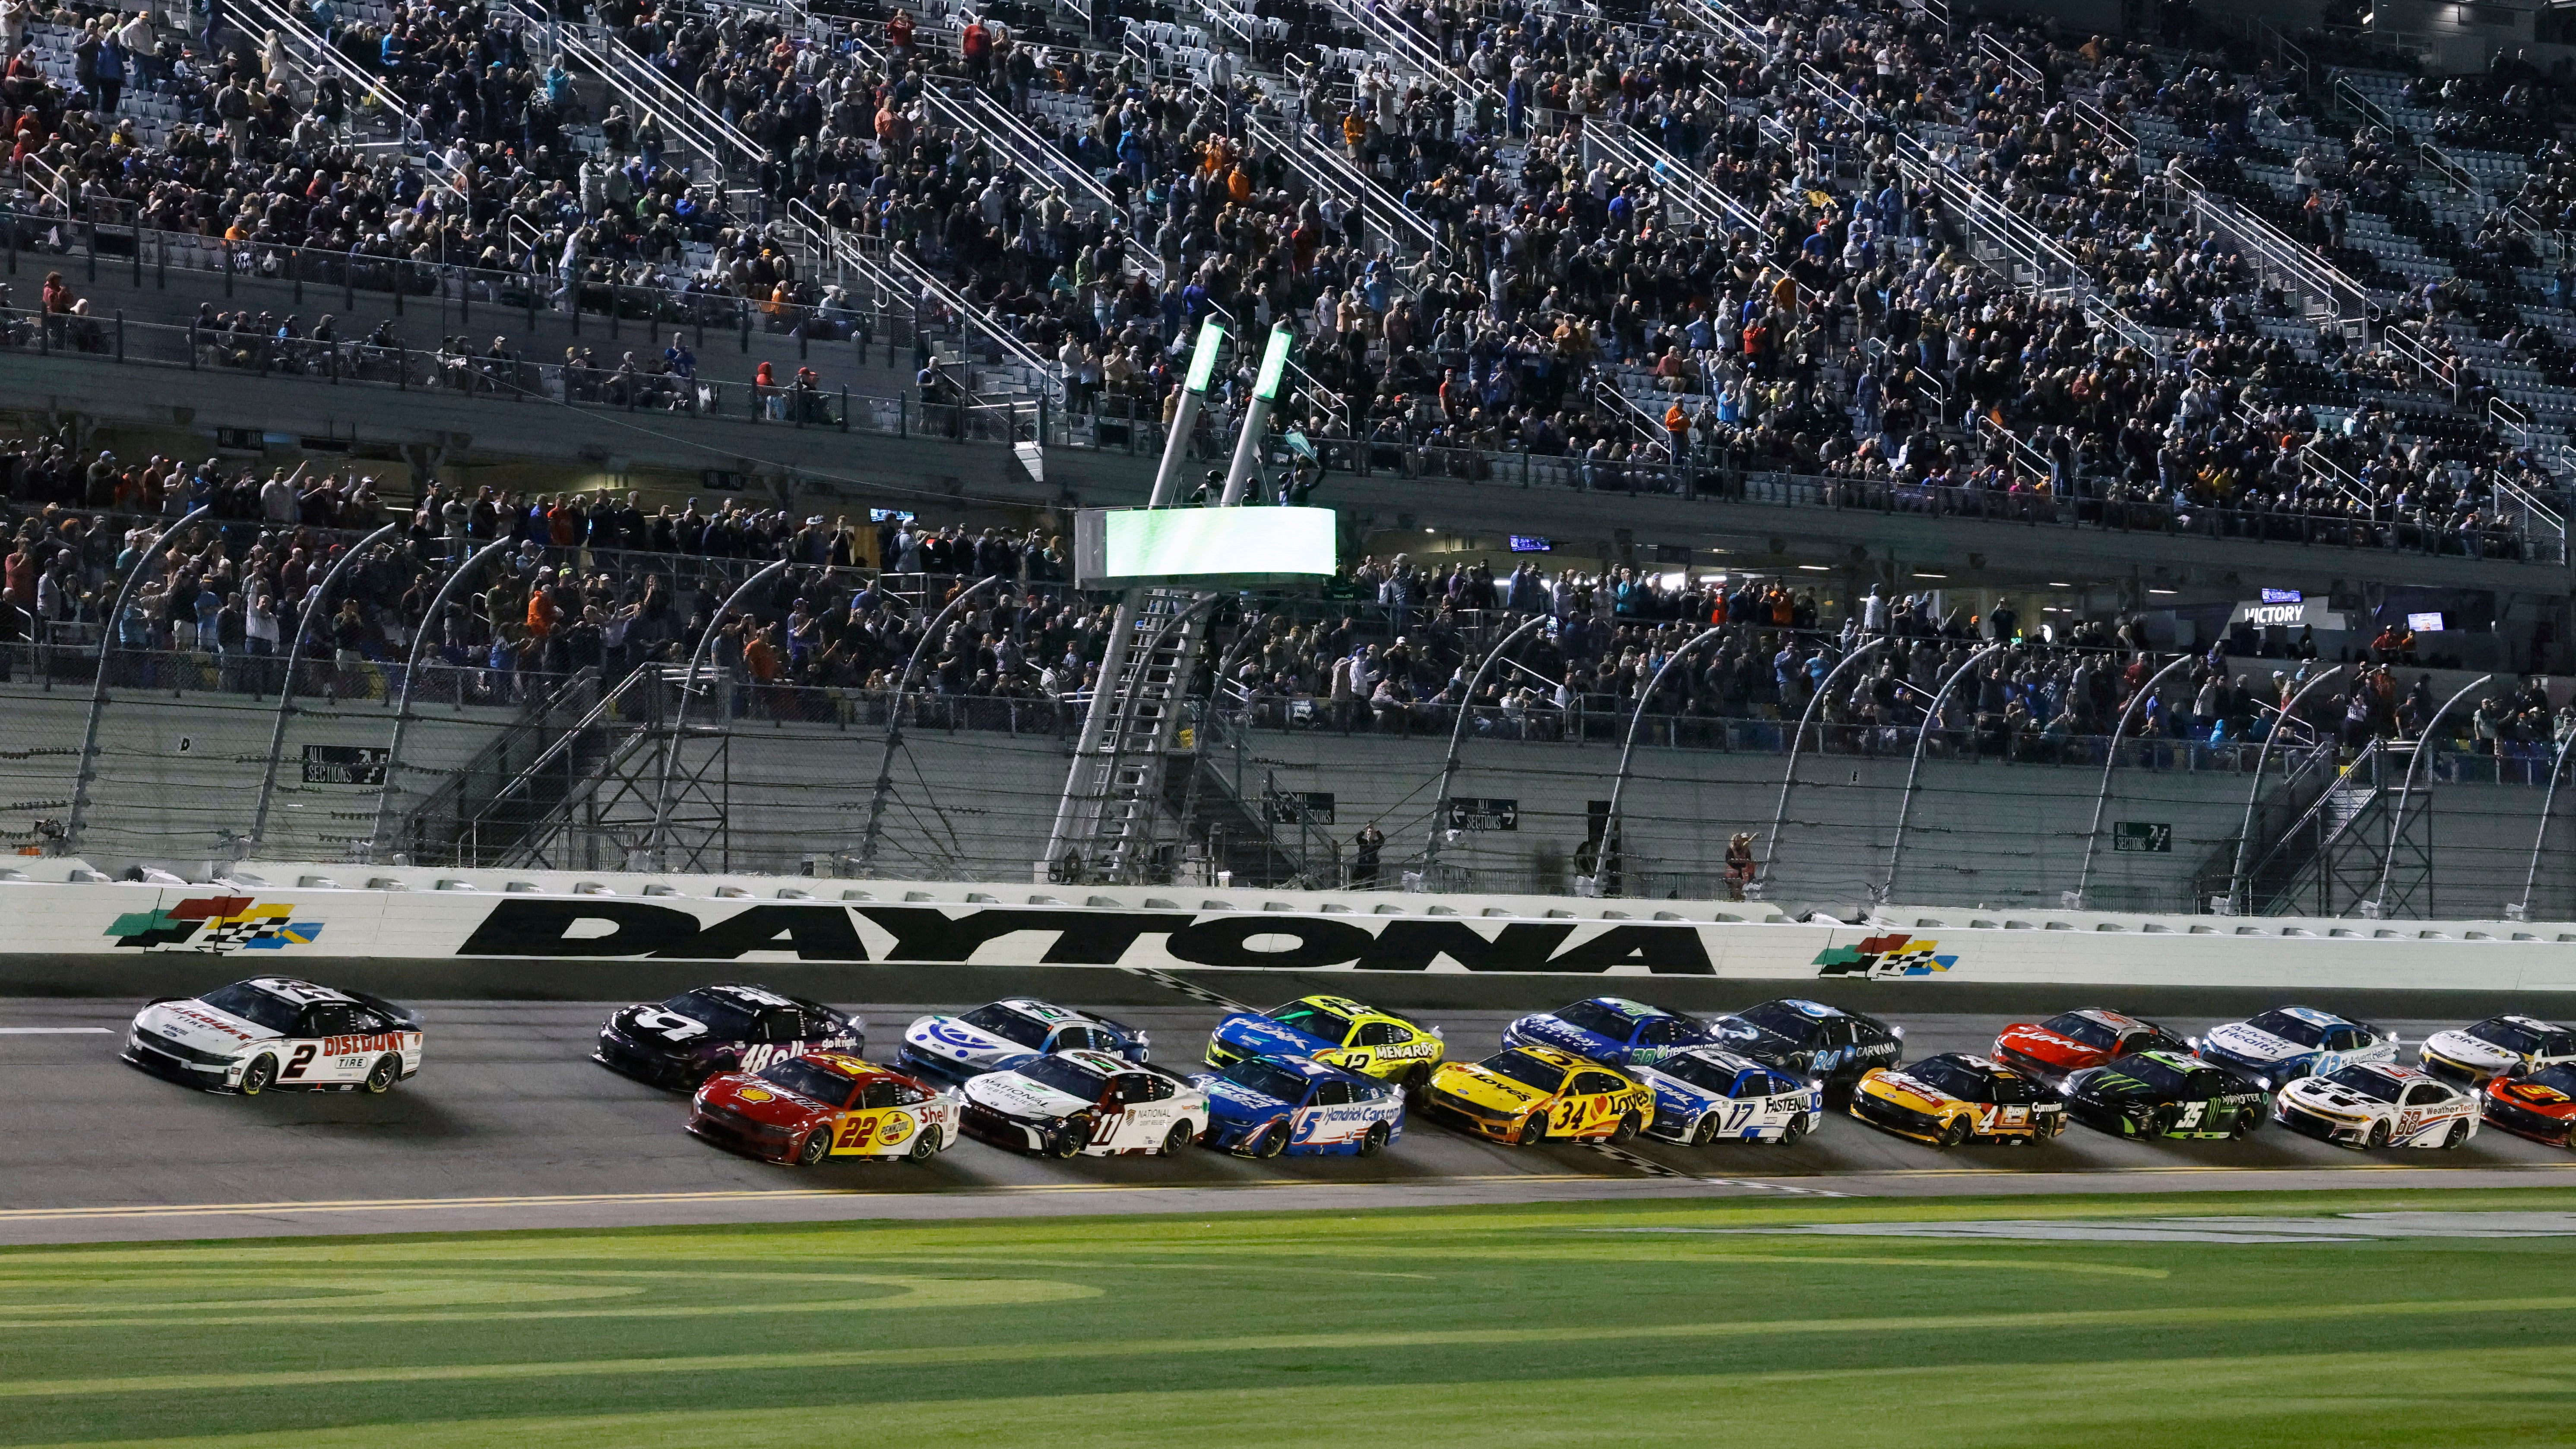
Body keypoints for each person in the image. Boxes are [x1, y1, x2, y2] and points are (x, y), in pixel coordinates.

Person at [1350, 821, 1384, 888]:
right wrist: (1365, 829)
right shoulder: (1363, 842)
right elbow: (1358, 838)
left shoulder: (1376, 844)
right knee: (1355, 881)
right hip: (1361, 867)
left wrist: (1376, 830)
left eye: (1372, 833)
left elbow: (1382, 840)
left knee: (1370, 884)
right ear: (1367, 833)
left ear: (1374, 835)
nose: (1370, 833)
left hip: (1371, 868)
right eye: (1369, 832)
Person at [1725, 832, 1756, 901]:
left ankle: (1738, 898)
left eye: (1740, 840)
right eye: (1737, 840)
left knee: (1740, 886)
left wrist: (1744, 863)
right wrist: (1737, 863)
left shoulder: (1744, 850)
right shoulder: (1731, 850)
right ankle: (1734, 898)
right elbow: (1729, 860)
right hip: (1733, 871)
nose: (1738, 842)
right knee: (1734, 886)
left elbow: (1748, 860)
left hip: (1741, 871)